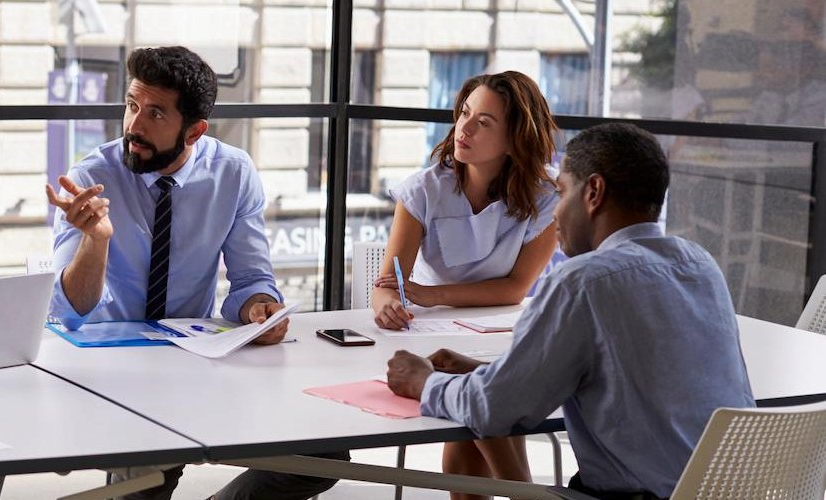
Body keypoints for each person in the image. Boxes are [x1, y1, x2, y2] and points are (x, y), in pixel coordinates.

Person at [385, 123, 755, 499]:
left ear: (593, 192)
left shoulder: (582, 282)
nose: (555, 215)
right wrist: (499, 373)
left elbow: (491, 411)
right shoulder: (701, 266)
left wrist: (422, 382)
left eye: (561, 193)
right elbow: (632, 379)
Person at [46, 45, 345, 500]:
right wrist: (96, 240)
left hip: (195, 359)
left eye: (155, 114)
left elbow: (251, 282)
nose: (134, 126)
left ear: (195, 130)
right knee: (143, 487)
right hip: (114, 369)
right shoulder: (91, 177)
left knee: (322, 459)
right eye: (131, 106)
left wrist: (259, 309)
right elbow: (71, 312)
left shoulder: (233, 173)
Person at [370, 71, 560, 498]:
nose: (464, 128)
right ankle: (523, 491)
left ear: (515, 139)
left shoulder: (547, 196)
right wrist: (386, 303)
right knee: (477, 408)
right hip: (434, 337)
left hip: (505, 333)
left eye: (484, 122)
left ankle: (519, 492)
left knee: (477, 405)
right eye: (464, 114)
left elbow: (514, 289)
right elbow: (388, 284)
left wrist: (427, 295)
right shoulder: (424, 190)